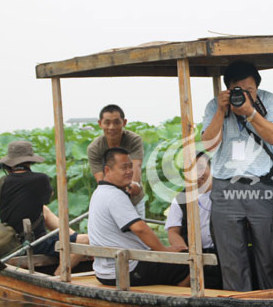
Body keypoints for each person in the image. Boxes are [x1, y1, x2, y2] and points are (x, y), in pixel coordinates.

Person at [201, 60, 273, 291]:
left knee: (269, 251)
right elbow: (208, 145)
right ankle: (240, 302)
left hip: (261, 184)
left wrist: (250, 112)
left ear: (257, 87)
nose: (244, 95)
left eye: (249, 90)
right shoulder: (214, 105)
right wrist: (220, 110)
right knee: (230, 255)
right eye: (238, 91)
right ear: (228, 89)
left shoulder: (267, 100)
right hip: (225, 185)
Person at [88, 147, 189, 287]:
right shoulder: (114, 196)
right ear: (107, 170)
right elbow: (140, 229)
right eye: (124, 167)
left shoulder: (100, 192)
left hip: (105, 271)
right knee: (190, 262)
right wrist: (164, 252)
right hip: (126, 271)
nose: (129, 171)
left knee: (177, 258)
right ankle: (178, 301)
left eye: (131, 166)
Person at [0, 140, 89, 274]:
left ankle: (72, 235)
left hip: (11, 241)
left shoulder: (3, 182)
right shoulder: (40, 179)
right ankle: (58, 277)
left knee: (44, 210)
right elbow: (48, 195)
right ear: (30, 161)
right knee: (85, 240)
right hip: (33, 243)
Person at [164, 152, 222, 289]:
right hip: (193, 255)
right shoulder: (180, 199)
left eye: (201, 168)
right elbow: (173, 232)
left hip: (222, 254)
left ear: (211, 169)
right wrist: (187, 253)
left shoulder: (225, 194)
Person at [87, 104, 145, 217]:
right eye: (107, 123)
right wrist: (117, 197)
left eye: (116, 122)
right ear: (100, 124)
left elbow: (136, 166)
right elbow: (101, 180)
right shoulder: (94, 148)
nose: (112, 127)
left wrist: (134, 185)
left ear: (124, 122)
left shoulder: (134, 140)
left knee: (137, 232)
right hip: (110, 199)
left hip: (134, 196)